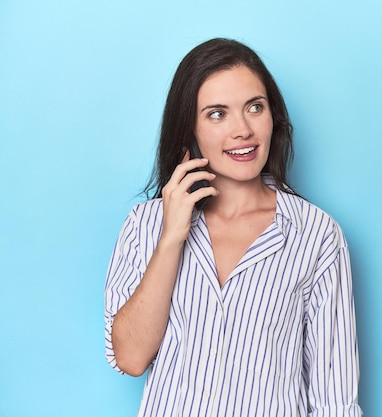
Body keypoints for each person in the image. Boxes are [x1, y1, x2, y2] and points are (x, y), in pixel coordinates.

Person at [104, 38, 362, 417]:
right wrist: (172, 236)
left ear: (273, 116)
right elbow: (130, 358)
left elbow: (334, 398)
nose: (242, 129)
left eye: (254, 108)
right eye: (217, 114)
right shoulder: (145, 225)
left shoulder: (316, 235)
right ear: (189, 128)